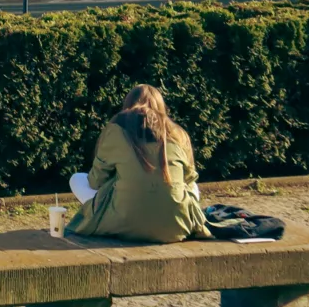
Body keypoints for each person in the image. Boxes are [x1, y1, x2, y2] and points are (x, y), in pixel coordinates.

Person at [66, 84, 211, 244]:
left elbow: (95, 181)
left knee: (77, 179)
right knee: (192, 187)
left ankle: (107, 221)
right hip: (176, 227)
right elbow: (189, 180)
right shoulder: (177, 133)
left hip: (123, 222)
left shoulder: (117, 128)